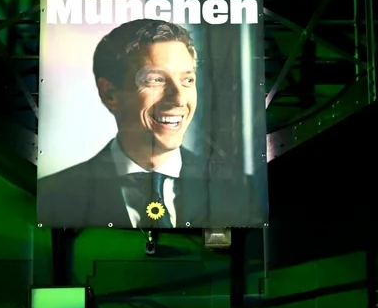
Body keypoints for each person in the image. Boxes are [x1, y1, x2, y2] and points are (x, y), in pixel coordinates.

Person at [37, 18, 261, 229]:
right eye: (155, 80)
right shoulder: (54, 197)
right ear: (110, 94)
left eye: (187, 80)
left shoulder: (238, 192)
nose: (179, 99)